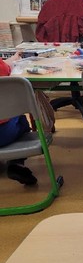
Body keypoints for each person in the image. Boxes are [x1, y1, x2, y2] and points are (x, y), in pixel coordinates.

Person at [0, 53, 38, 185]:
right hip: (3, 135)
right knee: (20, 119)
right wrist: (13, 59)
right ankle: (16, 163)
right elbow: (5, 68)